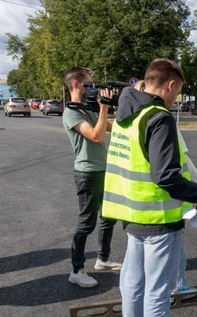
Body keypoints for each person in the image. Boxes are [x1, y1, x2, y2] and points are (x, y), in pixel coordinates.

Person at [102, 59, 197, 317]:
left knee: (133, 284)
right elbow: (166, 176)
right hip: (158, 218)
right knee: (157, 291)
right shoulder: (159, 118)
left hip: (132, 214)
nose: (176, 98)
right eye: (177, 92)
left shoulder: (126, 114)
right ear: (169, 85)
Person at [133, 79, 197, 292]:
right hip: (163, 203)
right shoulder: (160, 120)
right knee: (174, 248)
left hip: (138, 206)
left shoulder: (131, 122)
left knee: (143, 258)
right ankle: (180, 285)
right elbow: (182, 162)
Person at [63, 67, 121, 288]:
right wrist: (104, 108)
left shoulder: (90, 108)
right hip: (87, 172)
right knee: (87, 223)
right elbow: (96, 136)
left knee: (108, 217)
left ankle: (103, 260)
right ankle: (76, 270)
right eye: (89, 84)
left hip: (104, 169)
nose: (93, 89)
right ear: (76, 84)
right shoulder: (72, 113)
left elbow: (110, 127)